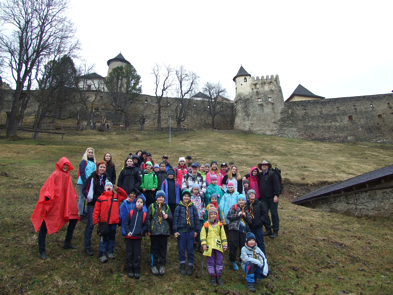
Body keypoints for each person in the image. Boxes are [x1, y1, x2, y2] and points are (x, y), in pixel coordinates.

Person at [31, 157, 79, 260]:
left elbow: (69, 191)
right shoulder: (55, 175)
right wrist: (48, 200)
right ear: (60, 165)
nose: (65, 167)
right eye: (64, 165)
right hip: (54, 205)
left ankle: (67, 242)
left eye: (67, 165)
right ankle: (41, 250)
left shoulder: (67, 175)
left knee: (74, 218)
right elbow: (47, 189)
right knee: (45, 224)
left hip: (64, 204)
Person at [92, 182, 127, 262]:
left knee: (112, 238)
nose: (109, 187)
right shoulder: (100, 198)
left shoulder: (116, 197)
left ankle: (110, 251)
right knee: (103, 239)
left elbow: (124, 195)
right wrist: (95, 220)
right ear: (104, 188)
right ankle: (102, 253)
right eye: (107, 186)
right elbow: (96, 210)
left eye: (110, 186)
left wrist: (118, 189)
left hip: (113, 222)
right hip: (104, 222)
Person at [82, 161, 108, 256]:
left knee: (103, 225)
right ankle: (87, 247)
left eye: (104, 167)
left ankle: (102, 247)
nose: (102, 169)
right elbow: (84, 189)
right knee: (90, 224)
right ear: (97, 167)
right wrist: (90, 198)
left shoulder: (106, 178)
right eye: (101, 167)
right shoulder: (92, 177)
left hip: (103, 204)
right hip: (92, 204)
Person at [146, 190, 173, 276]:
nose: (161, 199)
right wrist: (149, 230)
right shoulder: (152, 206)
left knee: (163, 248)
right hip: (154, 232)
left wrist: (167, 217)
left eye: (162, 197)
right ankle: (153, 264)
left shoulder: (167, 207)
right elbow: (148, 218)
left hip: (164, 232)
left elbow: (171, 218)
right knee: (154, 248)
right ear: (156, 198)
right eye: (159, 197)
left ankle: (162, 264)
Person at [173, 190, 199, 276]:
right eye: (185, 196)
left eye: (188, 196)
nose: (186, 198)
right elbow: (175, 219)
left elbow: (196, 220)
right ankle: (182, 264)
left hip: (191, 231)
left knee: (190, 249)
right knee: (181, 248)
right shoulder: (178, 207)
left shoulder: (193, 207)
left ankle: (190, 265)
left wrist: (196, 230)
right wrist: (175, 231)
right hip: (181, 231)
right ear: (182, 197)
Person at [200, 207, 228, 286]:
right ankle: (212, 276)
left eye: (214, 214)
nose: (213, 216)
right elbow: (202, 235)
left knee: (219, 261)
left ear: (217, 215)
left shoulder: (220, 225)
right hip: (209, 247)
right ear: (209, 215)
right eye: (211, 214)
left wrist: (224, 244)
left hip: (218, 246)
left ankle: (218, 276)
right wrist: (204, 244)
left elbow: (223, 235)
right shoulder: (206, 224)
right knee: (210, 261)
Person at [124, 195, 148, 279]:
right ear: (135, 203)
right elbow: (126, 223)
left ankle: (137, 270)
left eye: (141, 202)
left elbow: (146, 225)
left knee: (137, 254)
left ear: (143, 204)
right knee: (129, 253)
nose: (139, 203)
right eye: (138, 202)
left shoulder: (144, 215)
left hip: (138, 237)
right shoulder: (130, 213)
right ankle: (130, 269)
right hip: (129, 237)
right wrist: (128, 232)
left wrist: (141, 232)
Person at [227, 194, 252, 270]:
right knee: (233, 244)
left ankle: (241, 260)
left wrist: (245, 216)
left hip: (243, 230)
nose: (241, 202)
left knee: (242, 246)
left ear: (245, 201)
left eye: (242, 200)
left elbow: (250, 221)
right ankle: (233, 260)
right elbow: (229, 216)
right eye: (240, 200)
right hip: (234, 228)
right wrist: (237, 215)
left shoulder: (246, 209)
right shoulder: (234, 207)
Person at [257, 160, 281, 238]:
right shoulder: (260, 175)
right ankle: (268, 229)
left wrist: (276, 195)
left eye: (265, 165)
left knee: (274, 214)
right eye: (262, 165)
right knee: (264, 214)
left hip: (272, 198)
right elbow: (251, 174)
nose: (263, 166)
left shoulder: (273, 174)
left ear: (268, 166)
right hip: (263, 198)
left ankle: (275, 230)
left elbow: (277, 185)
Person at [77, 147, 96, 221]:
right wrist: (85, 181)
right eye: (89, 152)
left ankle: (86, 211)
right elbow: (82, 172)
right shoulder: (84, 162)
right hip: (83, 182)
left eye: (92, 153)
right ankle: (81, 213)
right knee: (82, 197)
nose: (90, 154)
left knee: (89, 197)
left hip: (90, 182)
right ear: (86, 153)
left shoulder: (94, 163)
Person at [245, 189, 267, 254]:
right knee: (250, 242)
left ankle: (263, 257)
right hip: (250, 227)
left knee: (260, 242)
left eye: (253, 194)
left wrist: (261, 221)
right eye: (250, 194)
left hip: (258, 226)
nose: (252, 195)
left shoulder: (259, 203)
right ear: (248, 196)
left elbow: (264, 214)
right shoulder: (246, 205)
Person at [190, 183, 205, 252]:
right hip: (192, 217)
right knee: (193, 231)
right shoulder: (190, 197)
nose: (196, 191)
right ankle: (193, 245)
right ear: (192, 190)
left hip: (199, 217)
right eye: (194, 189)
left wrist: (202, 212)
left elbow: (203, 206)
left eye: (197, 189)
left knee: (199, 231)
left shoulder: (200, 197)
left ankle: (200, 245)